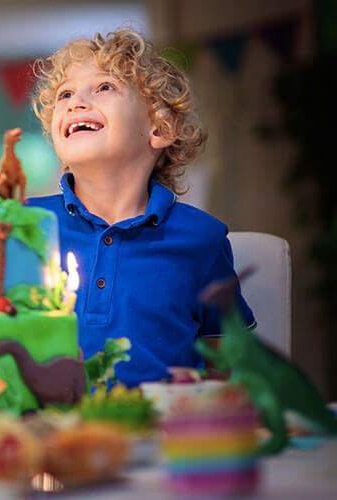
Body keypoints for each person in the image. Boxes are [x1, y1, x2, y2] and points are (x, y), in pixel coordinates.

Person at [27, 30, 255, 387]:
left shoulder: (203, 239)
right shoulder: (23, 225)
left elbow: (227, 366)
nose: (75, 102)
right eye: (65, 94)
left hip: (162, 435)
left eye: (104, 87)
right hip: (45, 436)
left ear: (160, 127)